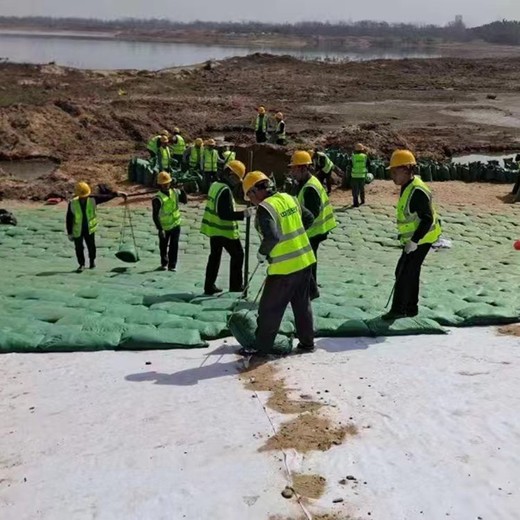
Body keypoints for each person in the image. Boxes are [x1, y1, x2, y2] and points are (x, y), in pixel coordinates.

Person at [240, 170, 317, 356]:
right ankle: (307, 344)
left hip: (284, 269)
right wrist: (294, 234)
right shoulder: (289, 198)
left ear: (253, 192)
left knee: (269, 310)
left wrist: (262, 253)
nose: (251, 201)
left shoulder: (265, 209)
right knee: (302, 305)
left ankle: (261, 348)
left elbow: (272, 237)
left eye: (249, 197)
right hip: (305, 261)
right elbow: (309, 218)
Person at [383, 150, 442, 320]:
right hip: (415, 239)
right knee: (410, 271)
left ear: (406, 169)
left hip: (422, 239)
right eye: (391, 172)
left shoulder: (417, 190)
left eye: (395, 172)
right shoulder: (407, 186)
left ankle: (399, 310)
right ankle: (411, 308)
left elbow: (427, 218)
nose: (392, 175)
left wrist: (414, 241)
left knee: (404, 272)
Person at [200, 160, 253, 295]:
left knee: (214, 257)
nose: (237, 182)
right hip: (224, 231)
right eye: (236, 178)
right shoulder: (224, 190)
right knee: (238, 255)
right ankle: (235, 286)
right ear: (230, 174)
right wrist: (243, 214)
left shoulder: (215, 185)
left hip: (214, 229)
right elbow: (224, 214)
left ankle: (209, 286)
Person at [289, 151, 337, 289]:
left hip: (313, 230)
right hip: (314, 229)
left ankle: (310, 289)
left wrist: (298, 231)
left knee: (307, 261)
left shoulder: (310, 187)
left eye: (294, 168)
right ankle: (311, 287)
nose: (292, 172)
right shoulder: (305, 182)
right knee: (310, 259)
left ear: (303, 168)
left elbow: (311, 214)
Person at [66, 182, 127, 272]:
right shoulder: (72, 204)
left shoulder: (93, 200)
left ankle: (92, 261)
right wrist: (69, 233)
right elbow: (69, 219)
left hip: (89, 229)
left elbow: (105, 197)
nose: (84, 198)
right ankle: (81, 264)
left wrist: (117, 194)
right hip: (77, 230)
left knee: (91, 246)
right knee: (79, 248)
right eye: (82, 196)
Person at [152, 171, 187, 272]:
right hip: (164, 226)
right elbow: (155, 215)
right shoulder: (157, 199)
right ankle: (164, 263)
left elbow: (184, 201)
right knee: (163, 246)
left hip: (176, 224)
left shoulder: (175, 192)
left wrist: (182, 190)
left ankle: (172, 265)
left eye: (167, 183)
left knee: (174, 245)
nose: (166, 185)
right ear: (160, 185)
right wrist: (160, 229)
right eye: (164, 184)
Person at [350, 143, 371, 207]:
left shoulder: (353, 157)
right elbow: (369, 164)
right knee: (362, 189)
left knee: (355, 190)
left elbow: (350, 165)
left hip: (354, 176)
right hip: (362, 176)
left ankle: (355, 203)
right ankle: (362, 201)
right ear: (362, 149)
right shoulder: (365, 156)